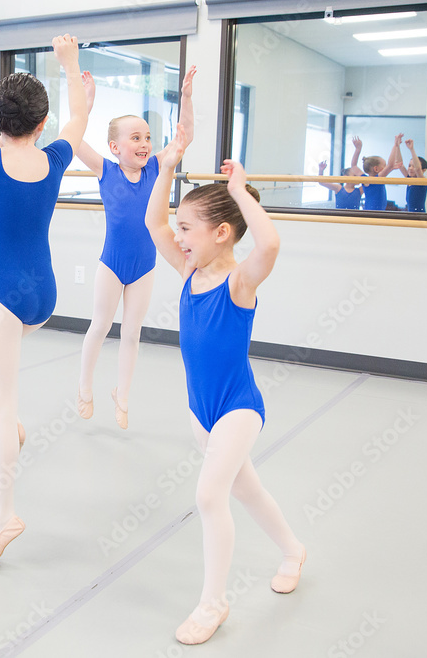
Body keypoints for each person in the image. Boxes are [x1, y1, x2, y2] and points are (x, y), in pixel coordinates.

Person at [145, 124, 306, 645]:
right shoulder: (191, 270)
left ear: (222, 233)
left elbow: (272, 242)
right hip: (201, 412)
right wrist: (167, 165)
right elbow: (152, 223)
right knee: (249, 490)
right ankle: (293, 550)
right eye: (180, 229)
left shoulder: (239, 282)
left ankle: (213, 603)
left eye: (188, 228)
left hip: (239, 408)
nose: (179, 237)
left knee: (209, 495)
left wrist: (238, 191)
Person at [0, 12, 89, 566]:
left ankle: (2, 516)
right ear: (43, 122)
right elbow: (81, 115)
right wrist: (71, 65)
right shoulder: (55, 158)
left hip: (2, 293)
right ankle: (13, 425)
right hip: (43, 296)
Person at [75, 65, 197, 429]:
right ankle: (84, 388)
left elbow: (184, 137)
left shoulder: (157, 168)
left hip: (145, 265)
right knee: (99, 326)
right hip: (111, 264)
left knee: (132, 332)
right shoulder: (105, 170)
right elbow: (74, 140)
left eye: (147, 137)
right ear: (115, 147)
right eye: (135, 138)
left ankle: (122, 396)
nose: (144, 143)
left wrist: (186, 98)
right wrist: (88, 103)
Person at [348, 135, 399, 210]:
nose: (386, 168)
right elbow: (390, 164)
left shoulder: (365, 179)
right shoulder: (376, 179)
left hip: (374, 212)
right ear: (376, 169)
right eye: (384, 166)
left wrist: (358, 149)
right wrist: (395, 145)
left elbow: (354, 165)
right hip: (372, 213)